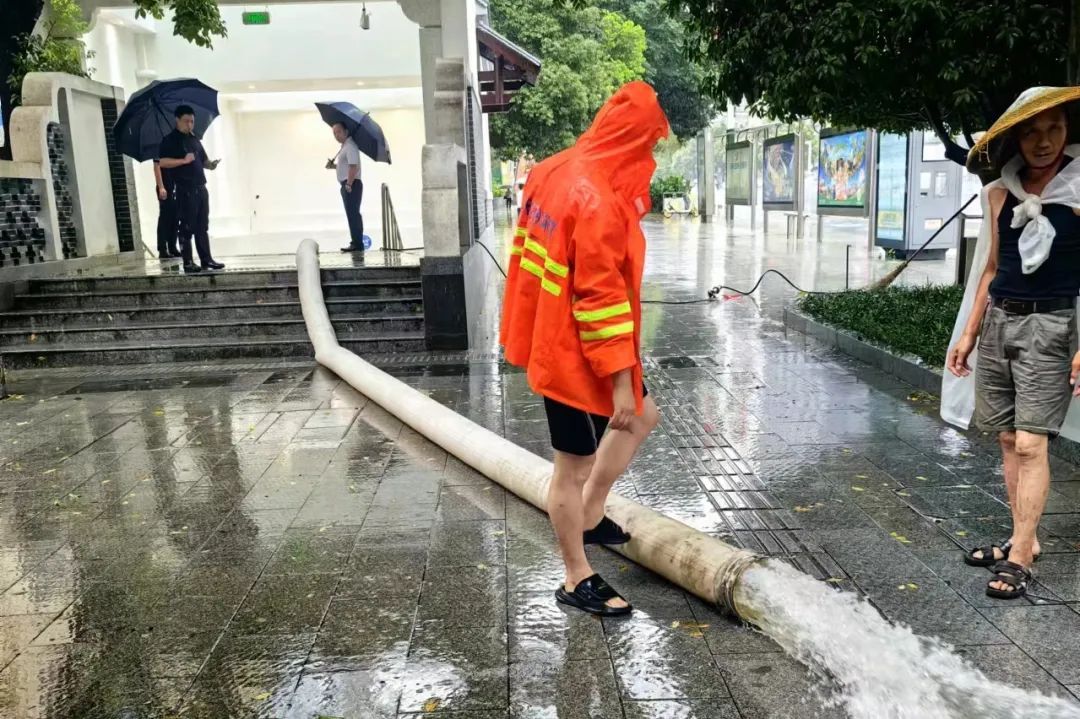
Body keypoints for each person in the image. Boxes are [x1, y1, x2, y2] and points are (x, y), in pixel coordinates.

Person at [500, 81, 670, 616]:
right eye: (648, 145)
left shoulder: (553, 169)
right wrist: (621, 380)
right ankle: (576, 576)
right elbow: (599, 297)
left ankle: (592, 512)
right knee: (571, 466)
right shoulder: (595, 196)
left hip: (559, 336)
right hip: (574, 353)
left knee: (643, 417)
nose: (650, 157)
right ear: (630, 139)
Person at [945, 87, 1080, 600]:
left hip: (1051, 328)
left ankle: (1021, 555)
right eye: (1031, 131)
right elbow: (993, 268)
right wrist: (969, 333)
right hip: (1001, 322)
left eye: (1054, 129)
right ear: (1016, 139)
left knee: (1031, 441)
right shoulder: (999, 193)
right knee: (1006, 439)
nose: (1043, 142)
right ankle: (1025, 537)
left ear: (1068, 131)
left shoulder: (1079, 189)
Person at [158, 104, 223, 274]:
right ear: (177, 120)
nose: (189, 125)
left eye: (192, 121)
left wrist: (211, 165)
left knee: (202, 225)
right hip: (185, 189)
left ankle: (206, 259)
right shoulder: (169, 140)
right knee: (187, 226)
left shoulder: (194, 139)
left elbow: (202, 161)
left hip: (201, 187)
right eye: (186, 121)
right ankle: (187, 262)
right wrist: (183, 161)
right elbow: (162, 162)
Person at [327, 122, 364, 253]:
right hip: (348, 183)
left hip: (351, 184)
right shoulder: (345, 147)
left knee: (353, 214)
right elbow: (346, 167)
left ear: (346, 131)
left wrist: (348, 184)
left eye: (339, 132)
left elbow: (353, 166)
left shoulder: (350, 146)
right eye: (334, 133)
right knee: (351, 214)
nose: (336, 135)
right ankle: (356, 242)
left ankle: (357, 244)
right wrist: (333, 166)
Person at [153, 159, 179, 259]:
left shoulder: (171, 146)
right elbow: (156, 166)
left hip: (174, 186)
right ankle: (162, 249)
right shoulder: (158, 147)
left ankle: (172, 247)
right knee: (165, 218)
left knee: (175, 218)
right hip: (164, 187)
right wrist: (161, 187)